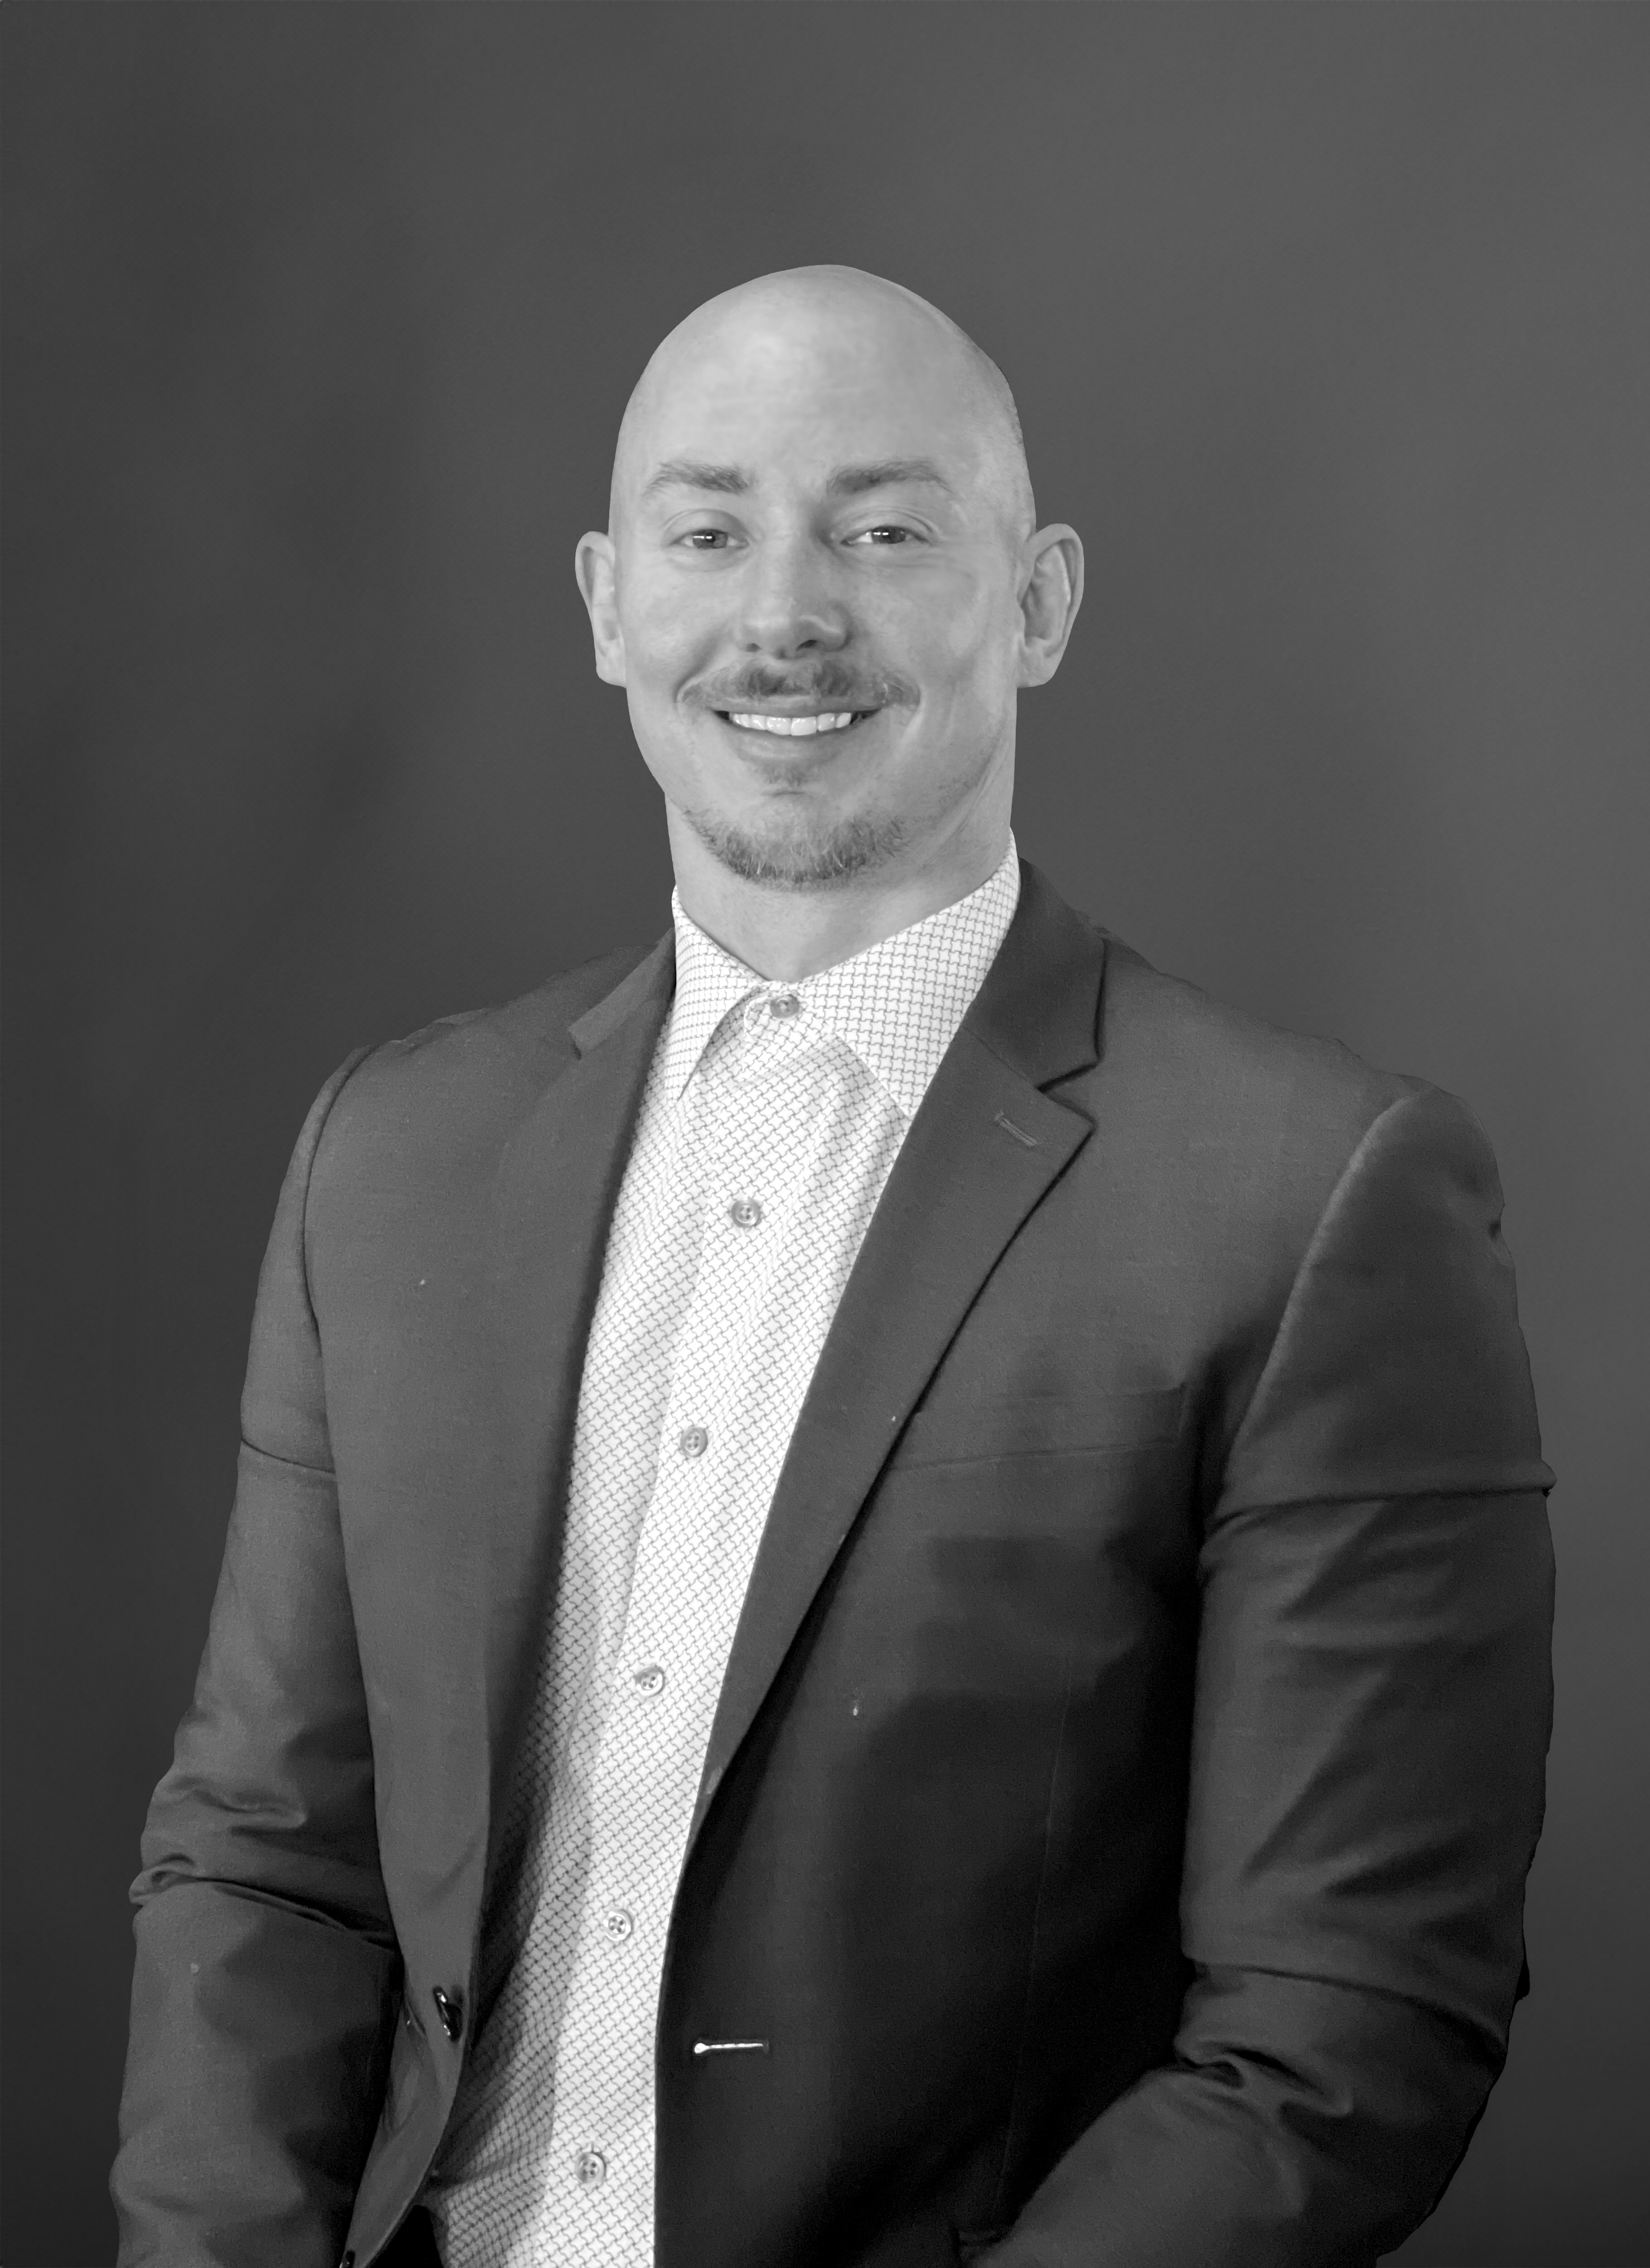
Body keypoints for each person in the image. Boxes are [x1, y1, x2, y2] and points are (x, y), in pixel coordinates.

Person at [112, 267, 1555, 2268]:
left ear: (1039, 601)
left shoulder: (1314, 1199)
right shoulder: (395, 1155)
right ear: (613, 602)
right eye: (711, 533)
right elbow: (267, 1863)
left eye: (886, 531)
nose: (785, 613)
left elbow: (1344, 2032)